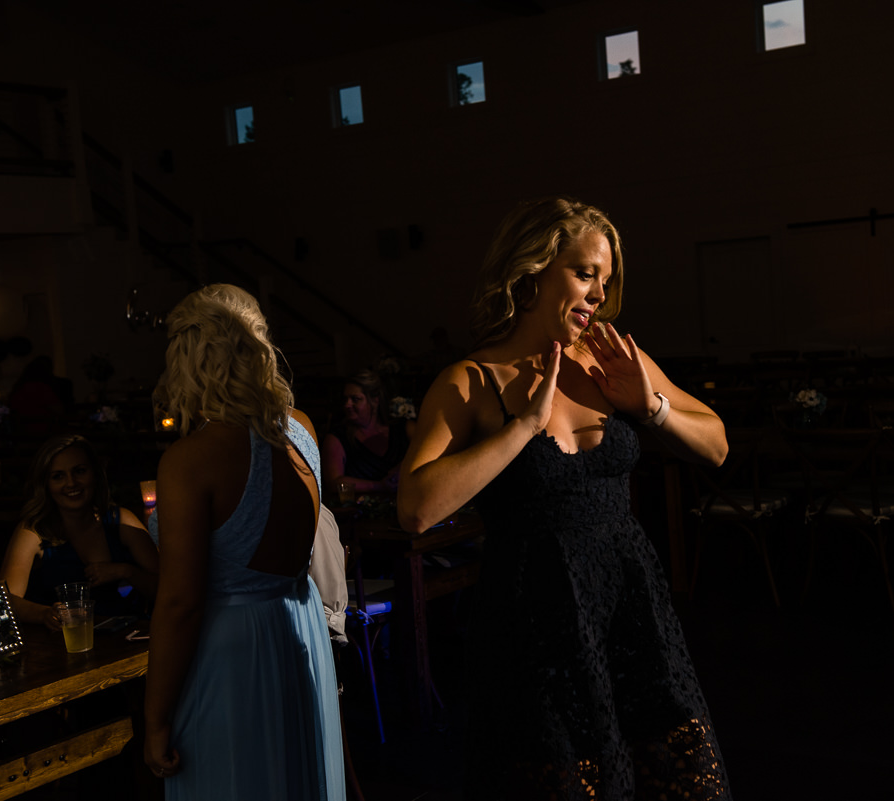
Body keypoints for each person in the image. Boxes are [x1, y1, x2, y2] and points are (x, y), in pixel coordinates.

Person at [398, 196, 732, 799]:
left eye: (606, 279)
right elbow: (416, 509)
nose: (600, 293)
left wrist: (647, 407)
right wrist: (522, 428)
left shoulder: (610, 360)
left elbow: (715, 446)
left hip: (631, 614)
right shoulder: (469, 381)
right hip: (534, 627)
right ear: (531, 273)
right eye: (584, 273)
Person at [143, 284, 345, 800]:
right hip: (299, 625)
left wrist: (156, 719)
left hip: (231, 650)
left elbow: (180, 603)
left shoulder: (192, 460)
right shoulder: (301, 429)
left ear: (188, 360)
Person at [0, 434, 159, 629]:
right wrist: (45, 614)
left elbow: (166, 588)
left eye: (79, 471)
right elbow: (5, 600)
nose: (71, 483)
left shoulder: (120, 520)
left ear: (95, 474)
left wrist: (125, 571)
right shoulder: (34, 530)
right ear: (46, 484)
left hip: (125, 637)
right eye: (58, 476)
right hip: (63, 644)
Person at [321, 368, 412, 496]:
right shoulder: (337, 438)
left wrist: (403, 467)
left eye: (355, 399)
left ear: (375, 400)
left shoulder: (402, 428)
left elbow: (430, 449)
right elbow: (334, 483)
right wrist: (379, 486)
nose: (347, 404)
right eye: (345, 399)